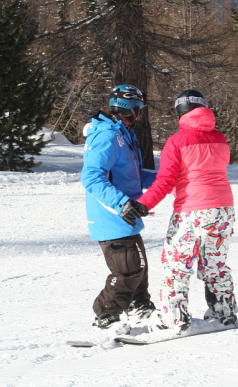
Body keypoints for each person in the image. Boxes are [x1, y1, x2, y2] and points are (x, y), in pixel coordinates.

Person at [135, 89, 236, 333]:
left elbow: (166, 180)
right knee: (215, 262)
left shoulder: (177, 141)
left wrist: (143, 204)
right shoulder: (220, 138)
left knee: (176, 264)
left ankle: (174, 319)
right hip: (223, 210)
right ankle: (224, 313)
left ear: (180, 111)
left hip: (192, 211)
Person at [81, 84, 159, 334]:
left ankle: (140, 308)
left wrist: (167, 179)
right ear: (129, 107)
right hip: (111, 215)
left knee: (139, 268)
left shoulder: (124, 133)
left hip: (126, 216)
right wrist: (121, 203)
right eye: (137, 110)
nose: (138, 116)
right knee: (128, 270)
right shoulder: (106, 135)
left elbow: (132, 175)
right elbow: (92, 177)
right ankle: (106, 314)